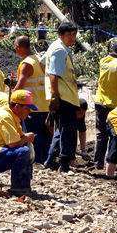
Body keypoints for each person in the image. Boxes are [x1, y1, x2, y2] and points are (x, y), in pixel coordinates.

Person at [44, 21, 80, 172]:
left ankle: (51, 159)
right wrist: (55, 95)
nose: (72, 38)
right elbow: (53, 75)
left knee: (61, 130)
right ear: (61, 35)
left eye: (74, 35)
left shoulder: (56, 47)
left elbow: (42, 64)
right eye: (68, 35)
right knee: (68, 130)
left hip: (65, 95)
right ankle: (64, 163)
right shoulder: (59, 50)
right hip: (64, 96)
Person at [94, 40, 117, 170]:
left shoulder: (103, 61)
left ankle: (98, 162)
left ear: (110, 50)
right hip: (115, 104)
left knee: (100, 134)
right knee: (114, 135)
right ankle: (108, 163)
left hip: (100, 102)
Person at [13, 35, 49, 165]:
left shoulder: (26, 64)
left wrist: (12, 99)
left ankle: (39, 160)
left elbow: (21, 85)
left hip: (31, 106)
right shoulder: (38, 59)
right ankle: (46, 158)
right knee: (42, 133)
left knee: (33, 134)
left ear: (18, 48)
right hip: (43, 104)